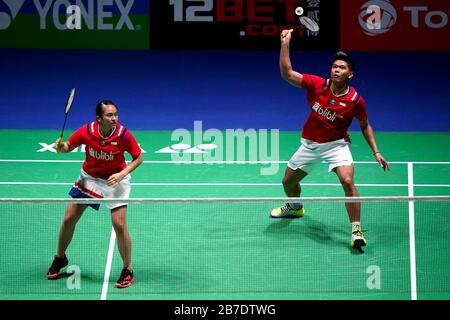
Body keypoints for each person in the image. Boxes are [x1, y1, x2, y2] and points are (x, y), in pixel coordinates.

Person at [272, 30, 390, 252]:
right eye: (335, 66)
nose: (337, 69)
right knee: (288, 182)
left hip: (336, 145)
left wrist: (376, 151)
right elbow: (287, 73)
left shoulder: (355, 100)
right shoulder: (317, 85)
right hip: (310, 144)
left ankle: (356, 230)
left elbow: (365, 125)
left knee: (347, 181)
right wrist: (285, 44)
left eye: (342, 67)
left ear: (350, 74)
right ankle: (296, 207)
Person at [46, 100, 143, 288]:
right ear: (98, 118)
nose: (114, 118)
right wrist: (60, 147)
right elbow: (68, 147)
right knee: (68, 218)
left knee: (119, 224)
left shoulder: (123, 135)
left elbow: (138, 158)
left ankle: (127, 269)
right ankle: (60, 258)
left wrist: (123, 173)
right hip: (90, 177)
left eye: (115, 114)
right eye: (109, 115)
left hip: (116, 179)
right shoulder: (87, 131)